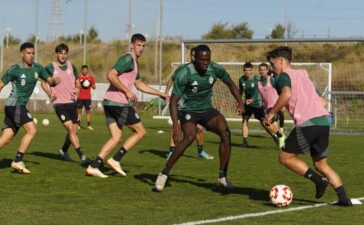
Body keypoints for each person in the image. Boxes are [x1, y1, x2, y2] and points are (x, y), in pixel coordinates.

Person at [265, 46, 352, 206]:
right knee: (321, 164)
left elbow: (287, 94)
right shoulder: (303, 74)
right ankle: (344, 199)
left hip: (308, 123)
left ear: (281, 61)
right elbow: (322, 100)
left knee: (285, 157)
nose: (271, 68)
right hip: (323, 122)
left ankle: (319, 181)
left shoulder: (283, 76)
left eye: (272, 64)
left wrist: (271, 114)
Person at [155, 44, 244, 192]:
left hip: (206, 109)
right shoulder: (185, 73)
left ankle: (222, 176)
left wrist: (240, 102)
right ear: (195, 58)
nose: (205, 62)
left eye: (207, 59)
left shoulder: (215, 69)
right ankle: (164, 173)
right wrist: (176, 126)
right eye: (202, 59)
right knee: (189, 137)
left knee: (226, 133)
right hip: (188, 110)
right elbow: (174, 100)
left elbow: (230, 83)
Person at [86, 33, 168, 178]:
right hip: (118, 103)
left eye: (143, 45)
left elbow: (139, 84)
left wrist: (159, 93)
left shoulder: (134, 63)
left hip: (109, 102)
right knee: (141, 132)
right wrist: (127, 91)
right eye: (138, 45)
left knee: (116, 137)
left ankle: (94, 166)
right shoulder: (127, 59)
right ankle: (115, 159)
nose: (141, 48)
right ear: (132, 45)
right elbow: (111, 75)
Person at [0, 42, 58, 174]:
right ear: (22, 54)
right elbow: (1, 85)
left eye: (33, 53)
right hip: (15, 105)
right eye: (28, 53)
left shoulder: (38, 68)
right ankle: (18, 160)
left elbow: (50, 81)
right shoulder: (14, 69)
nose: (31, 56)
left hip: (16, 106)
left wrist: (55, 81)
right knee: (32, 130)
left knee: (6, 138)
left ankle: (17, 161)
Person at [41, 43, 91, 165]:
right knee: (70, 128)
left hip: (72, 102)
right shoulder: (50, 67)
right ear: (56, 54)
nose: (63, 56)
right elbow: (43, 82)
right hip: (59, 104)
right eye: (60, 53)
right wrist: (49, 94)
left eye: (65, 53)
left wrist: (77, 89)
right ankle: (83, 157)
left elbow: (77, 82)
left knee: (74, 130)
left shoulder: (71, 66)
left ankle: (63, 150)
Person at [165, 47, 213, 160]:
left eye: (194, 56)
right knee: (175, 126)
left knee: (199, 128)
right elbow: (172, 79)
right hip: (180, 103)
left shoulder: (204, 70)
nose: (193, 58)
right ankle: (171, 152)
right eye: (191, 56)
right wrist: (166, 91)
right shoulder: (183, 68)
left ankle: (200, 151)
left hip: (193, 106)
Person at [257, 63, 286, 148]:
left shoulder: (272, 80)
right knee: (270, 126)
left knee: (265, 122)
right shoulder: (258, 82)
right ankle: (282, 143)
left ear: (267, 70)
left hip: (274, 106)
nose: (262, 71)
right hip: (266, 108)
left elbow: (281, 90)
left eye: (264, 70)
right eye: (261, 70)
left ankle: (280, 137)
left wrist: (283, 103)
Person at [238, 62, 265, 147]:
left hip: (257, 103)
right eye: (246, 70)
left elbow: (258, 92)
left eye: (249, 70)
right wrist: (239, 103)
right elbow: (240, 91)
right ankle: (245, 142)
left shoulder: (256, 79)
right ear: (243, 70)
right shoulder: (241, 79)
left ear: (252, 71)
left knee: (263, 122)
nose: (247, 72)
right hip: (247, 103)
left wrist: (252, 99)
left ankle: (276, 136)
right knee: (244, 120)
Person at [77, 64, 96, 130]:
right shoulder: (79, 77)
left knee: (88, 112)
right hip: (80, 97)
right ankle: (78, 125)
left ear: (87, 70)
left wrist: (90, 84)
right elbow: (76, 86)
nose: (84, 71)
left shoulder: (90, 77)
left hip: (88, 98)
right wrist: (81, 84)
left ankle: (88, 125)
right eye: (83, 70)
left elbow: (94, 87)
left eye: (86, 69)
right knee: (79, 111)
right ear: (82, 70)